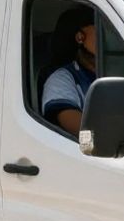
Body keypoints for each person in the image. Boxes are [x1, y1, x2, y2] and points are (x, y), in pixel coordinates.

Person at [41, 7, 97, 135]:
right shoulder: (60, 79)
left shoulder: (122, 69)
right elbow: (83, 131)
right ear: (79, 37)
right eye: (100, 28)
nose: (109, 36)